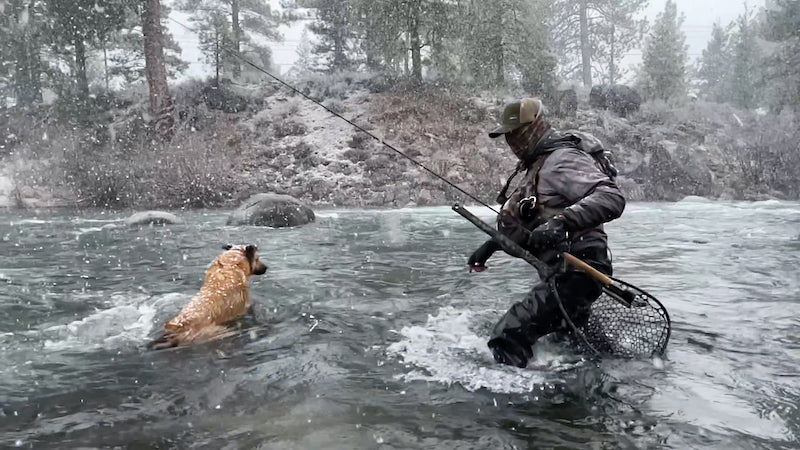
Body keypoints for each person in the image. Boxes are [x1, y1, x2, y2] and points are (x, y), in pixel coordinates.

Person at [468, 97, 626, 368]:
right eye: (508, 136)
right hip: (562, 276)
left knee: (508, 335)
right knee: (578, 348)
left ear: (534, 128)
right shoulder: (539, 164)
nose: (512, 143)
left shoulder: (561, 161)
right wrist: (494, 244)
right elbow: (535, 227)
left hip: (579, 274)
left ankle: (513, 407)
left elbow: (611, 197)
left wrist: (562, 222)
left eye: (516, 134)